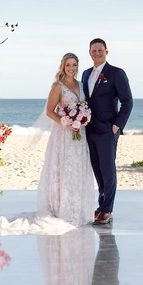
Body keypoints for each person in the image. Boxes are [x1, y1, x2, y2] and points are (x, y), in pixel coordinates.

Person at [37, 52, 95, 226]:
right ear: (63, 66)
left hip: (80, 132)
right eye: (68, 65)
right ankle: (63, 208)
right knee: (65, 167)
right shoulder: (58, 86)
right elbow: (49, 111)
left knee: (78, 167)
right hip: (64, 133)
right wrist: (66, 122)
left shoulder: (82, 84)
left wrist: (83, 118)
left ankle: (79, 208)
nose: (71, 68)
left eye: (74, 65)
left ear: (78, 67)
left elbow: (84, 106)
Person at [82, 39, 133, 225]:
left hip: (107, 130)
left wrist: (117, 126)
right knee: (97, 170)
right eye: (94, 50)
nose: (97, 53)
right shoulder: (86, 74)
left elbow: (127, 101)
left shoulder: (116, 73)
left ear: (106, 51)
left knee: (108, 171)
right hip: (89, 128)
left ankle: (108, 210)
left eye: (100, 50)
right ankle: (102, 205)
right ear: (89, 52)